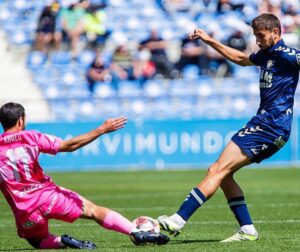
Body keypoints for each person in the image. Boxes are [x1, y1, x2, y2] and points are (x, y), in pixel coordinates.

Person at [157, 13, 300, 242]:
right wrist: (209, 40)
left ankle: (178, 219)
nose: (258, 41)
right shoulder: (265, 54)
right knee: (223, 175)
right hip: (268, 124)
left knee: (216, 170)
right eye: (255, 36)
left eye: (261, 36)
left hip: (271, 124)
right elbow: (241, 59)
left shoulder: (289, 55)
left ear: (276, 32)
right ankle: (247, 229)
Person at [0, 102, 169, 249]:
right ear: (21, 120)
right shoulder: (31, 137)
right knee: (93, 210)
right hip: (48, 197)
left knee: (37, 241)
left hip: (24, 212)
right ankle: (135, 232)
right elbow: (70, 145)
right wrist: (101, 129)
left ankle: (62, 241)